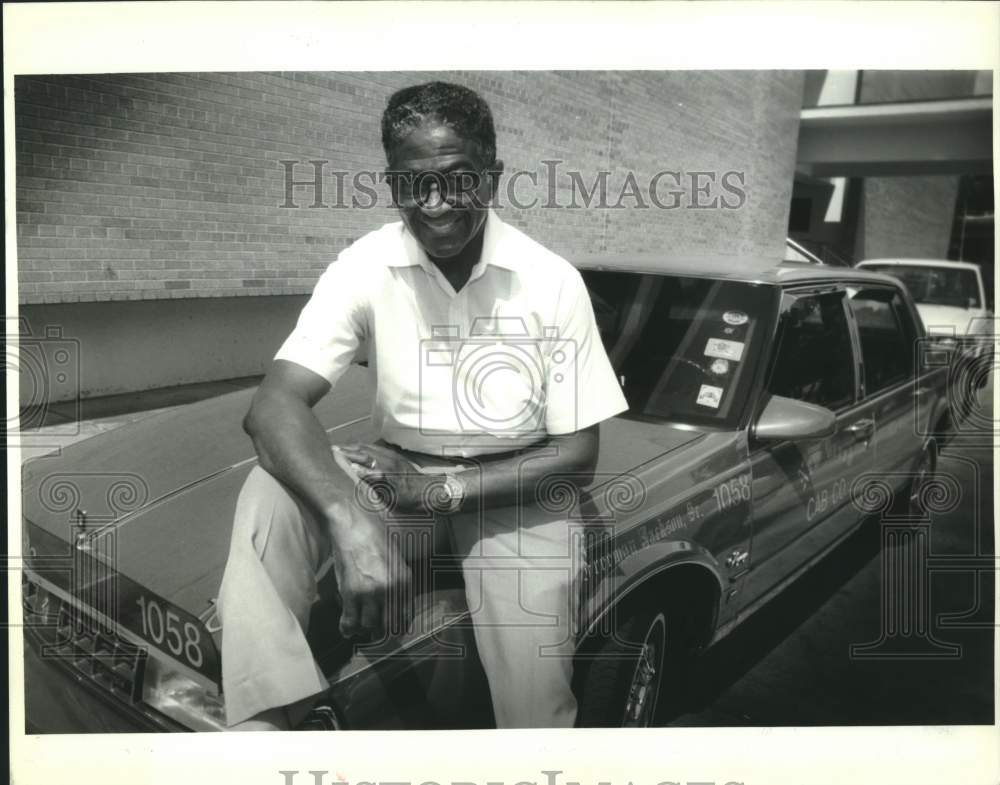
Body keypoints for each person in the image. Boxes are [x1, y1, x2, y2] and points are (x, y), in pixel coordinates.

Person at [217, 81, 627, 730]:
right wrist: (350, 520)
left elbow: (577, 455)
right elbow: (273, 407)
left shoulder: (551, 282)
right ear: (392, 184)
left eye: (457, 179)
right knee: (270, 491)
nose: (435, 204)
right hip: (394, 476)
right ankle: (267, 722)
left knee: (534, 699)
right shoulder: (367, 262)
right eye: (413, 184)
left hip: (513, 492)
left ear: (492, 176)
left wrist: (439, 493)